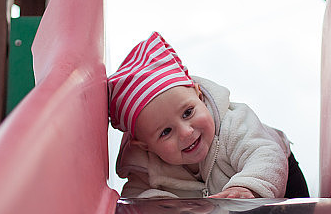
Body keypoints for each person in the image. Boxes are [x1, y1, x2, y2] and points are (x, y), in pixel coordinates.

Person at [108, 32, 308, 199]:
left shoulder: (233, 125)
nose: (186, 132)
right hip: (222, 213)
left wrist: (247, 188)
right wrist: (159, 213)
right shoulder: (146, 168)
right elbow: (136, 199)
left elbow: (265, 154)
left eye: (188, 112)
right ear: (145, 146)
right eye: (166, 132)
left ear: (199, 95)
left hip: (281, 176)